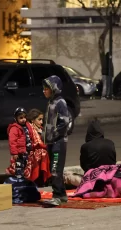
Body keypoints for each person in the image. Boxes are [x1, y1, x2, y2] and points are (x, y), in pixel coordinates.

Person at [42, 75, 70, 206]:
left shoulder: (60, 102)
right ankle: (62, 194)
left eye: (46, 88)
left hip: (58, 142)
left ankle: (57, 196)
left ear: (54, 89)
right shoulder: (51, 103)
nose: (44, 91)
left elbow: (64, 122)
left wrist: (53, 135)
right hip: (52, 142)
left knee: (55, 169)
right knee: (53, 168)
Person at [6, 107, 34, 178]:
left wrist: (32, 147)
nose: (23, 119)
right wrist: (14, 153)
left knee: (26, 167)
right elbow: (12, 142)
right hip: (19, 153)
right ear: (16, 119)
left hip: (27, 152)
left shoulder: (27, 126)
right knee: (19, 168)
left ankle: (24, 182)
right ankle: (18, 182)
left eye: (24, 117)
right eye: (21, 118)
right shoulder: (14, 128)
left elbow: (30, 136)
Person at [26, 109, 51, 185]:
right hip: (30, 151)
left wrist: (42, 133)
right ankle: (37, 179)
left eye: (42, 120)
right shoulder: (28, 129)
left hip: (41, 150)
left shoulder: (41, 129)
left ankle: (45, 179)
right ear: (33, 120)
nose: (41, 122)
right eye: (39, 119)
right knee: (42, 153)